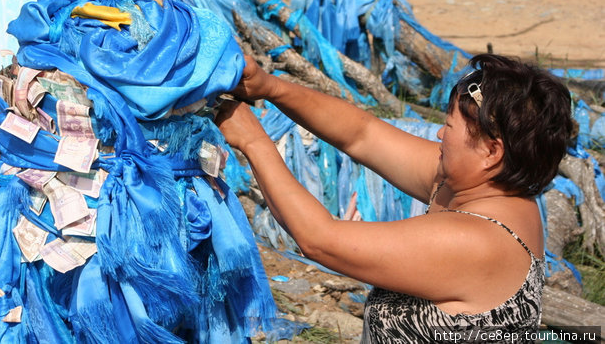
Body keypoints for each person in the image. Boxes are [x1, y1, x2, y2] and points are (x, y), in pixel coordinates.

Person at [216, 53, 574, 342]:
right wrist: (270, 87)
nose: (438, 133)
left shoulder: (478, 240)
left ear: (490, 151)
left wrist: (254, 142)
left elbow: (319, 240)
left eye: (448, 126)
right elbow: (362, 135)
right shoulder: (481, 189)